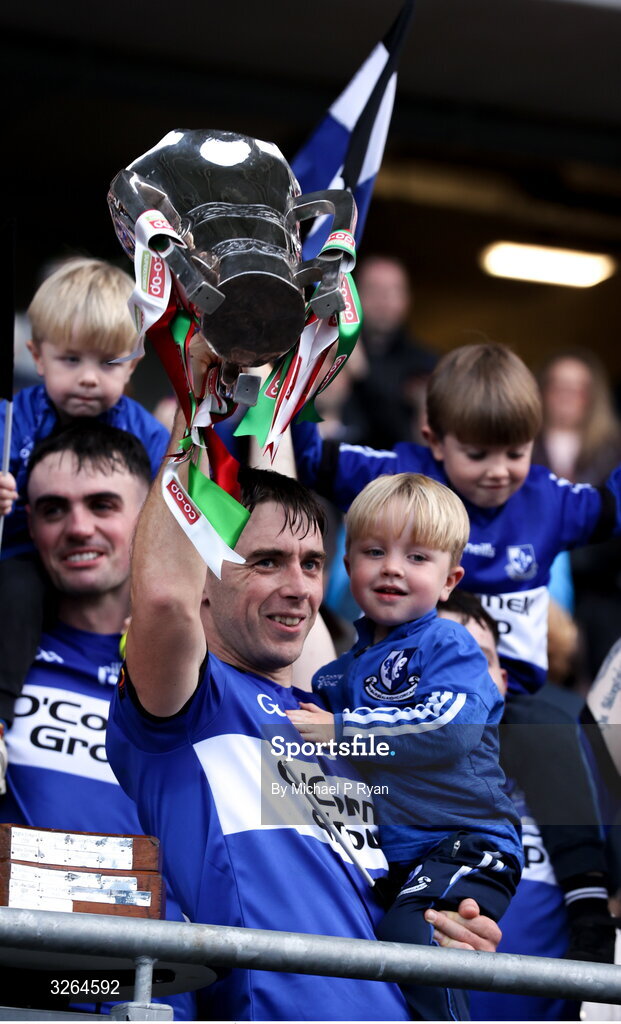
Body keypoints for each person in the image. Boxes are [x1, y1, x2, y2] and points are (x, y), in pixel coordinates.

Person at [106, 399, 503, 1022]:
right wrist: (196, 398)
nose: (299, 586)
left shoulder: (334, 719)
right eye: (266, 562)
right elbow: (161, 598)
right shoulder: (188, 702)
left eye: (312, 564)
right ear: (203, 578)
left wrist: (450, 926)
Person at [293, 340, 616, 960]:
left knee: (565, 726)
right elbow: (305, 455)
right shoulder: (400, 479)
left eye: (516, 452)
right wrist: (296, 368)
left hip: (513, 698)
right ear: (434, 438)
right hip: (411, 687)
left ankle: (590, 903)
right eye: (477, 453)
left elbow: (614, 505)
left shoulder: (549, 497)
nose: (498, 470)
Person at [287, 472, 522, 1020]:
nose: (392, 566)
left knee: (412, 936)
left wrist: (343, 730)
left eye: (418, 557)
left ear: (449, 580)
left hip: (467, 841)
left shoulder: (448, 642)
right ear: (348, 567)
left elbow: (450, 729)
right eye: (374, 551)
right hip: (394, 855)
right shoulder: (335, 676)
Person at [0, 421, 193, 1019]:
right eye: (53, 509)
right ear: (29, 523)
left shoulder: (205, 673)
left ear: (147, 517)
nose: (77, 527)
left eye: (103, 505)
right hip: (23, 991)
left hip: (149, 993)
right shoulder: (7, 660)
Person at [0, 257, 170, 789]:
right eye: (70, 359)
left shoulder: (145, 433)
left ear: (135, 362)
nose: (89, 378)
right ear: (37, 355)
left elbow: (171, 516)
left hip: (118, 589)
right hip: (23, 563)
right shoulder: (11, 420)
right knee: (14, 591)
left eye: (108, 362)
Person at [438, 590, 583, 1021]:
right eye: (442, 654)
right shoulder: (362, 775)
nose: (462, 676)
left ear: (502, 680)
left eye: (478, 658)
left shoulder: (572, 772)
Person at [340, 255, 437, 448]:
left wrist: (361, 373)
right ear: (353, 296)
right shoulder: (328, 353)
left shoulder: (427, 365)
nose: (383, 301)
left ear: (407, 299)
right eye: (373, 290)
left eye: (393, 291)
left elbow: (408, 435)